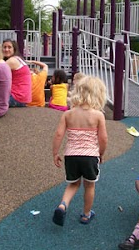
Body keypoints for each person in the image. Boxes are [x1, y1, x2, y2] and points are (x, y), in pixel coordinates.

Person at [51, 76, 109, 226]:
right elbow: (103, 138)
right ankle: (86, 214)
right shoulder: (98, 115)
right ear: (98, 94)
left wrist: (55, 153)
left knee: (73, 184)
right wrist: (101, 153)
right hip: (90, 156)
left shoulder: (68, 114)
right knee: (89, 186)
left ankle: (63, 205)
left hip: (71, 156)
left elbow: (58, 134)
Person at [1, 39, 31, 107]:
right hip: (23, 97)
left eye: (9, 47)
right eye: (4, 47)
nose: (6, 49)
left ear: (14, 49)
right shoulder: (18, 59)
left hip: (16, 97)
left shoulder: (12, 61)